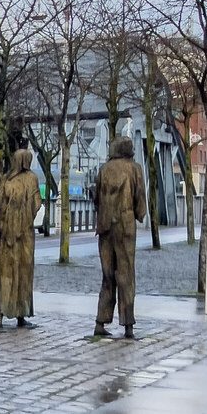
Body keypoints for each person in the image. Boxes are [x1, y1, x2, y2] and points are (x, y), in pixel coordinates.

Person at [93, 136, 147, 339]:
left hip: (105, 226)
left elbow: (96, 198)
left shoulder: (104, 169)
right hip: (125, 226)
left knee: (107, 276)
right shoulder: (134, 169)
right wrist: (139, 214)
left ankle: (100, 321)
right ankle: (128, 325)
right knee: (125, 274)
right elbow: (139, 198)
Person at [0, 148, 41, 330]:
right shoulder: (31, 178)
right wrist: (25, 217)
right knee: (23, 273)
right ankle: (21, 314)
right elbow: (37, 203)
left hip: (6, 235)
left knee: (5, 274)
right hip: (24, 235)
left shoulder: (6, 179)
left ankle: (0, 314)